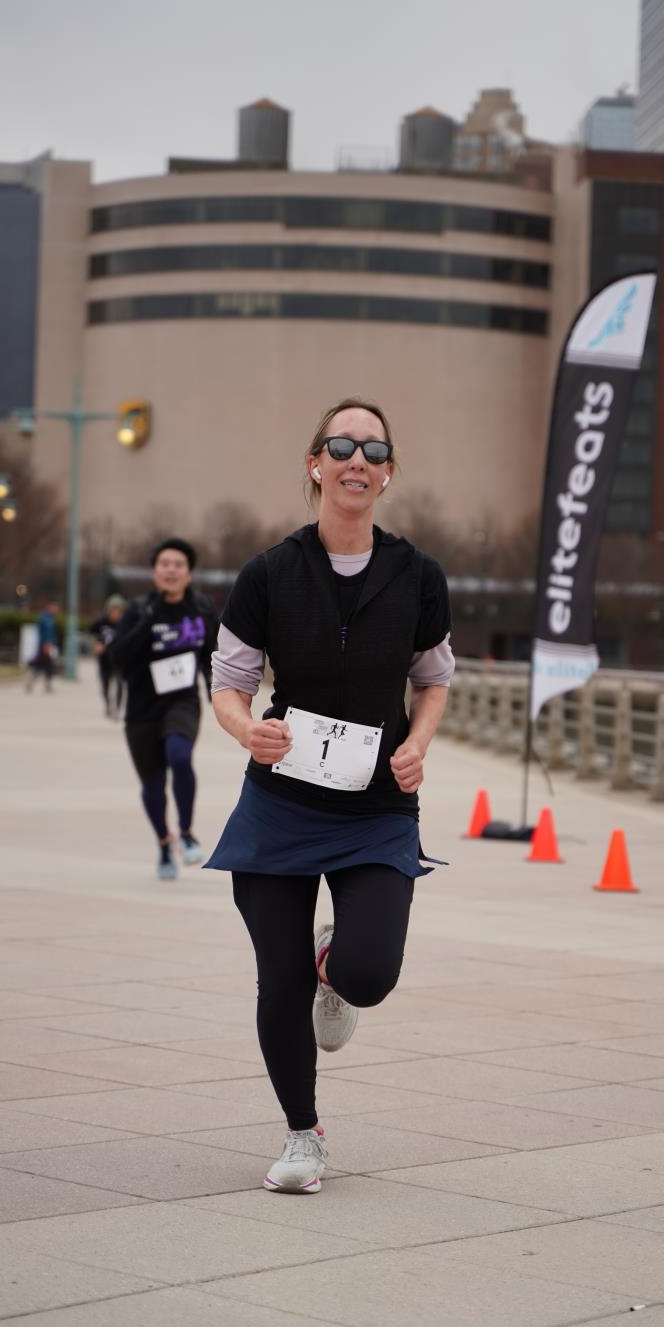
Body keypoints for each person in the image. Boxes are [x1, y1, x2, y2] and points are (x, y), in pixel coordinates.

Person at [206, 397, 454, 1195]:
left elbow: (434, 679)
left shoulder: (418, 575)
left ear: (388, 473)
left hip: (376, 805)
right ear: (315, 463)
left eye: (373, 450)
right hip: (281, 800)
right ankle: (302, 1134)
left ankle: (332, 961)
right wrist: (248, 730)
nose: (357, 460)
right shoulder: (269, 573)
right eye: (341, 445)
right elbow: (228, 683)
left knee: (369, 973)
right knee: (278, 982)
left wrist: (417, 743)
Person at [108, 539, 218, 880]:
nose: (171, 570)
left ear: (188, 573)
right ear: (154, 572)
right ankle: (163, 843)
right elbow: (117, 658)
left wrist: (218, 693)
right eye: (164, 564)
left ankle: (186, 833)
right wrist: (148, 620)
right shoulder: (139, 610)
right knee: (153, 785)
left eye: (178, 564)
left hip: (182, 701)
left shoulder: (201, 610)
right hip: (142, 709)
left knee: (180, 756)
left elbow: (213, 656)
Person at [90, 594, 127, 718]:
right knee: (105, 684)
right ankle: (107, 704)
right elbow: (91, 635)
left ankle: (117, 708)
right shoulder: (101, 623)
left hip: (119, 659)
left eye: (118, 610)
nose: (115, 613)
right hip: (104, 659)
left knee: (120, 684)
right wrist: (96, 644)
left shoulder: (125, 623)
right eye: (113, 610)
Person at [25, 600, 60, 692]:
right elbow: (45, 633)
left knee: (46, 666)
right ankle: (34, 683)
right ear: (50, 607)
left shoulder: (51, 618)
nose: (56, 611)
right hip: (44, 646)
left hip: (48, 645)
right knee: (43, 666)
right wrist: (46, 644)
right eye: (55, 608)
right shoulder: (45, 619)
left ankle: (39, 684)